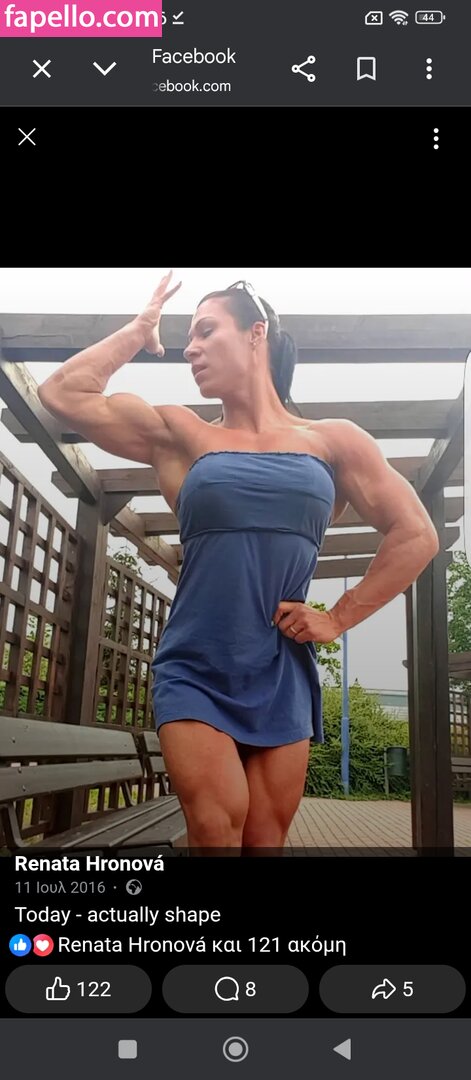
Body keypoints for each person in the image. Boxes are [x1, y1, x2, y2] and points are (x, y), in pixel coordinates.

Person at [37, 271, 440, 854]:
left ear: (257, 333)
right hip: (197, 664)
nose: (190, 349)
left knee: (263, 840)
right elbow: (63, 395)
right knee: (216, 829)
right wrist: (138, 330)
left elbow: (416, 534)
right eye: (187, 339)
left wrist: (339, 617)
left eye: (205, 331)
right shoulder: (180, 433)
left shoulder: (334, 440)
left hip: (281, 667)